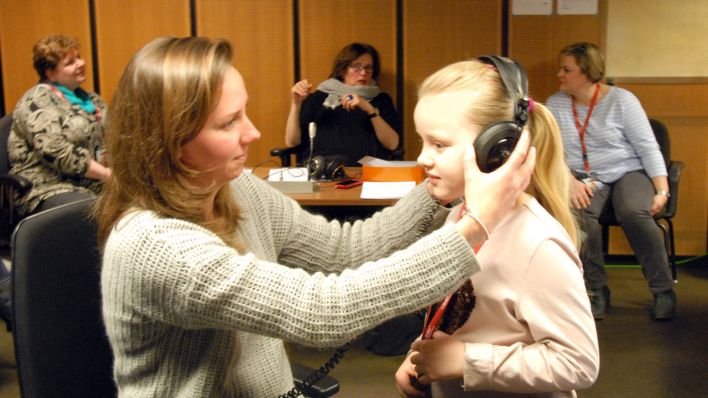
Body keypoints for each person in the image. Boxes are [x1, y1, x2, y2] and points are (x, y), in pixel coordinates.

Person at [95, 36, 536, 397]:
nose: (252, 133)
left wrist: (440, 185)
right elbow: (323, 310)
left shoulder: (234, 187)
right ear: (171, 143)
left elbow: (345, 250)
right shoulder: (153, 246)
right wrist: (475, 224)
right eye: (228, 123)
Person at [395, 57, 599, 397]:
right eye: (422, 141)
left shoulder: (537, 244)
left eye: (439, 144)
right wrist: (421, 355)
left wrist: (467, 361)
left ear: (495, 148)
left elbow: (578, 362)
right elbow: (458, 314)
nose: (422, 158)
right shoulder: (461, 216)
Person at [546, 42, 675, 321]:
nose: (560, 74)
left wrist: (662, 190)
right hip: (584, 178)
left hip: (628, 171)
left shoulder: (622, 100)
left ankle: (663, 289)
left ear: (588, 72)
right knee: (579, 215)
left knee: (634, 213)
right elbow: (550, 151)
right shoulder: (555, 104)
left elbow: (648, 148)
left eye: (567, 69)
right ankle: (597, 290)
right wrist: (568, 181)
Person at [8, 35, 110, 217]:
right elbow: (55, 150)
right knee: (90, 210)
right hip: (47, 187)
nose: (80, 63)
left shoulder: (92, 99)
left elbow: (114, 135)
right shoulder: (37, 101)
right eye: (71, 62)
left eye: (78, 57)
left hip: (92, 183)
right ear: (50, 73)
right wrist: (106, 174)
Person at [284, 42, 401, 166]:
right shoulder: (318, 98)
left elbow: (393, 144)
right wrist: (296, 103)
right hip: (322, 170)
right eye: (357, 66)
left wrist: (369, 109)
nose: (363, 73)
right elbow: (291, 142)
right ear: (343, 69)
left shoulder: (381, 99)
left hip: (365, 171)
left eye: (368, 68)